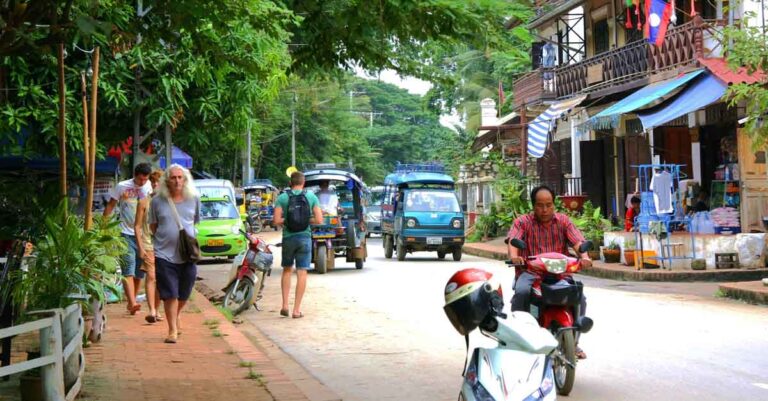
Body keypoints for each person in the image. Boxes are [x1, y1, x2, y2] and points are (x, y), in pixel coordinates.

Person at [507, 185, 592, 359]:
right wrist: (515, 256)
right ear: (533, 205)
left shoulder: (563, 221)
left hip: (560, 274)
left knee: (579, 297)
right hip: (531, 273)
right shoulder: (522, 222)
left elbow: (578, 242)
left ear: (554, 204)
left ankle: (574, 343)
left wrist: (585, 256)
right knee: (522, 292)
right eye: (540, 205)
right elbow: (513, 240)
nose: (544, 209)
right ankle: (518, 336)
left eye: (548, 204)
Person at [149, 164, 201, 343]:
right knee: (169, 293)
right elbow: (153, 226)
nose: (177, 181)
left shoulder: (193, 199)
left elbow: (194, 223)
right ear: (167, 180)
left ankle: (176, 314)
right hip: (164, 254)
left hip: (187, 255)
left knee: (184, 291)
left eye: (180, 177)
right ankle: (172, 330)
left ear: (185, 180)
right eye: (173, 177)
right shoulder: (157, 201)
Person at [104, 163, 153, 315]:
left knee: (140, 272)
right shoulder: (122, 186)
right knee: (128, 269)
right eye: (140, 180)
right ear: (135, 176)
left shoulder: (149, 187)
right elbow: (111, 205)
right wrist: (103, 225)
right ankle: (132, 302)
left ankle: (132, 301)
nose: (142, 183)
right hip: (125, 233)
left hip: (144, 236)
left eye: (145, 180)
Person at [274, 171, 323, 319]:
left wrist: (289, 220)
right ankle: (296, 310)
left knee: (287, 270)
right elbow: (319, 220)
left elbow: (276, 220)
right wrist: (306, 220)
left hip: (288, 237)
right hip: (304, 238)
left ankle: (284, 305)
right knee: (302, 272)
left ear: (290, 183)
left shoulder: (282, 197)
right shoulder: (311, 197)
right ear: (303, 183)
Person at [134, 170, 163, 323]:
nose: (155, 185)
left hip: (164, 246)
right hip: (147, 244)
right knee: (151, 276)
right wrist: (140, 247)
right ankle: (151, 310)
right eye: (153, 182)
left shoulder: (168, 202)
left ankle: (157, 309)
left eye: (158, 182)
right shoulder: (143, 202)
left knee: (160, 278)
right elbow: (137, 226)